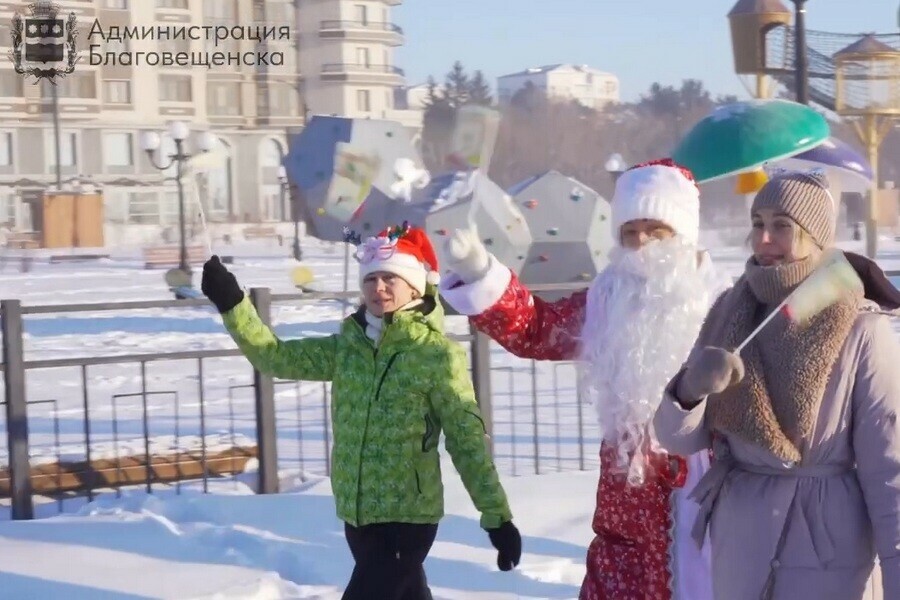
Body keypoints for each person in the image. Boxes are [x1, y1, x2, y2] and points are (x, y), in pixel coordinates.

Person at [439, 159, 728, 599]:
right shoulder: (607, 299)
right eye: (629, 233)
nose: (641, 244)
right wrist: (482, 274)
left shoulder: (725, 306)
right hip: (627, 504)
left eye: (655, 230)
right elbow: (537, 330)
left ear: (684, 233)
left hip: (708, 498)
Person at [200, 223, 521, 600]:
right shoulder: (347, 348)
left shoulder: (436, 355)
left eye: (391, 278)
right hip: (357, 515)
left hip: (407, 518)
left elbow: (467, 441)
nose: (378, 288)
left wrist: (496, 517)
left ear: (415, 286)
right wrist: (232, 304)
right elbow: (275, 357)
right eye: (371, 279)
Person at [653, 170, 900, 600]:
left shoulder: (859, 327)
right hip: (739, 544)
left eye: (782, 226)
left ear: (816, 235)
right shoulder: (730, 312)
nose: (764, 239)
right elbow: (676, 438)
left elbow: (890, 468)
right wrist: (689, 390)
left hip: (827, 552)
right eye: (757, 224)